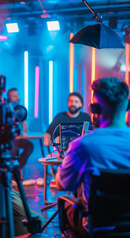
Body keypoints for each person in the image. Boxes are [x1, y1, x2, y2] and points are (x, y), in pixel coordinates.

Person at [55, 77, 130, 237]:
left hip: (97, 228)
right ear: (127, 106)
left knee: (68, 206)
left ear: (95, 110)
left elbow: (63, 185)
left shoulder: (81, 146)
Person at [7, 88, 33, 178]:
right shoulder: (6, 110)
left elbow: (25, 130)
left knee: (29, 146)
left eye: (17, 96)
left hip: (19, 139)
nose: (17, 98)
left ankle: (17, 168)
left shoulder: (20, 110)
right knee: (12, 150)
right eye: (14, 96)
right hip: (8, 140)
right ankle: (12, 171)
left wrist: (23, 119)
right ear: (9, 98)